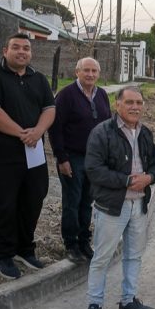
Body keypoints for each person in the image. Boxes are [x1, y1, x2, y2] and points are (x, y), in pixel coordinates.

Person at [0, 34, 55, 280]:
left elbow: (49, 109)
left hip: (33, 156)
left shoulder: (38, 78)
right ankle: (2, 254)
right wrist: (23, 134)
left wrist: (39, 131)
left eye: (26, 48)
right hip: (0, 156)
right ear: (4, 50)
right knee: (2, 205)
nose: (22, 52)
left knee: (33, 200)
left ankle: (24, 249)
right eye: (16, 47)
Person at [82, 86, 155, 309]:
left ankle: (128, 300)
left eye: (139, 102)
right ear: (118, 105)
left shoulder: (145, 133)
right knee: (102, 258)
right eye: (129, 102)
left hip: (139, 205)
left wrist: (149, 178)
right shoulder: (102, 133)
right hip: (112, 206)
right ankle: (94, 305)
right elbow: (93, 169)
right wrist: (126, 180)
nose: (135, 107)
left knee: (134, 255)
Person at [48, 57, 112, 263]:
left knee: (88, 202)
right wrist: (61, 157)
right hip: (72, 157)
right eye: (86, 70)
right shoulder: (66, 95)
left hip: (95, 159)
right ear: (77, 72)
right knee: (72, 202)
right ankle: (71, 244)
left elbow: (108, 126)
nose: (90, 74)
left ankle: (85, 241)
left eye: (94, 71)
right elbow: (55, 128)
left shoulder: (101, 94)